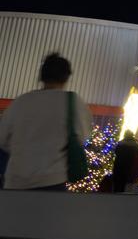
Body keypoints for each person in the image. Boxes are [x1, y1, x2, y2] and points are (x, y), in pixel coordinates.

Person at [0, 53, 92, 190]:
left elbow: (3, 139)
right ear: (66, 77)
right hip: (52, 182)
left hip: (15, 181)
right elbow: (82, 137)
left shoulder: (21, 101)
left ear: (42, 76)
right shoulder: (72, 102)